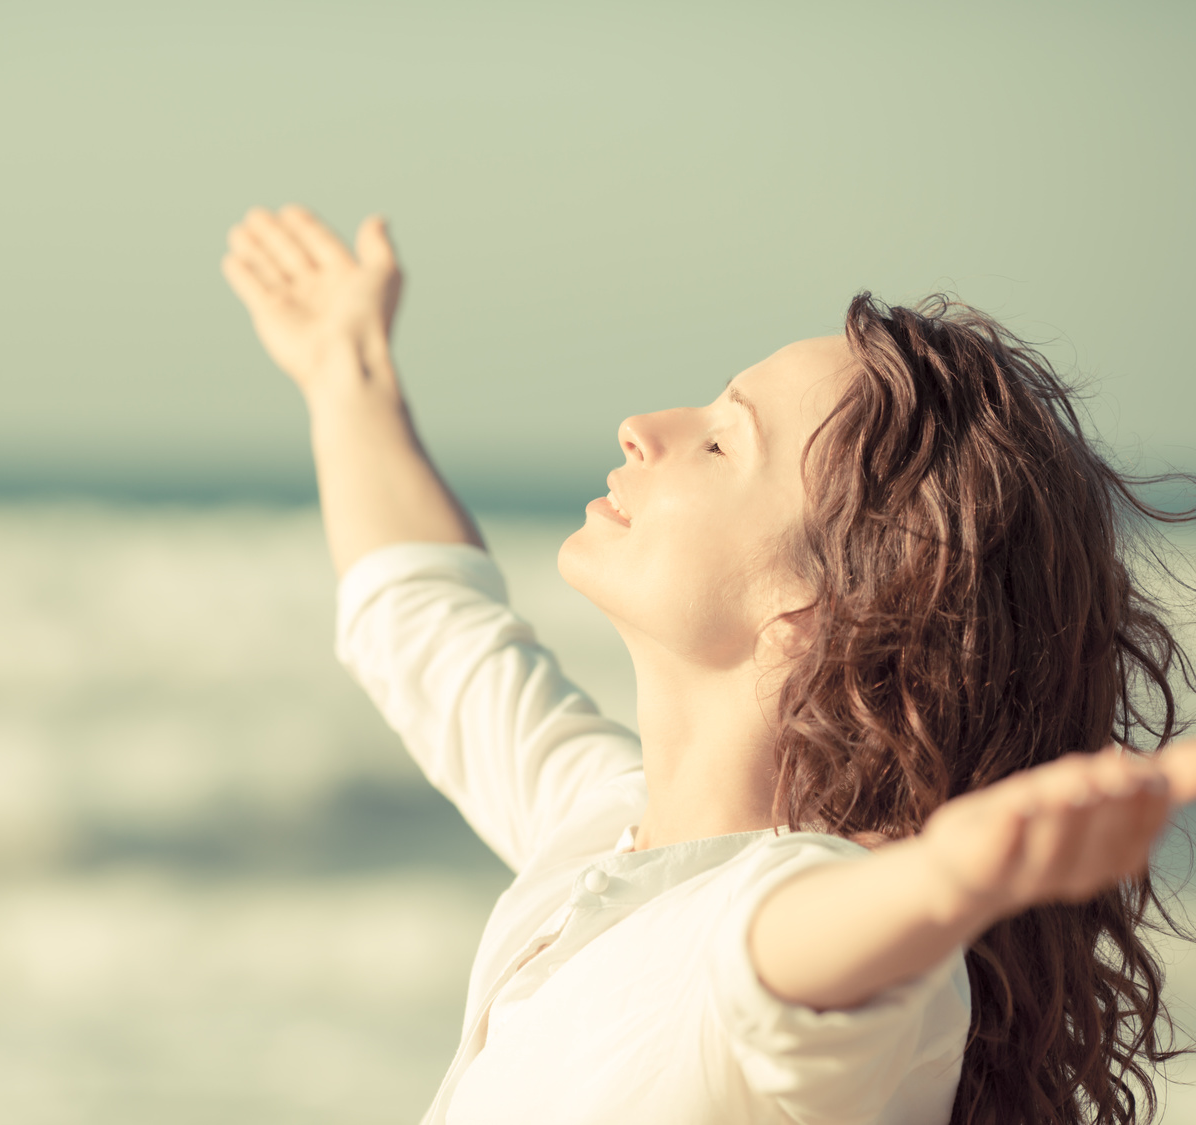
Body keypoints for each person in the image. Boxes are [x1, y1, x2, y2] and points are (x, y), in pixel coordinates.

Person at [220, 204, 1196, 1124]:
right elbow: (429, 626)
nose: (643, 426)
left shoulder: (809, 925)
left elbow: (794, 955)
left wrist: (947, 879)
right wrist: (342, 368)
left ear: (815, 610)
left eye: (724, 440)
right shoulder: (604, 830)